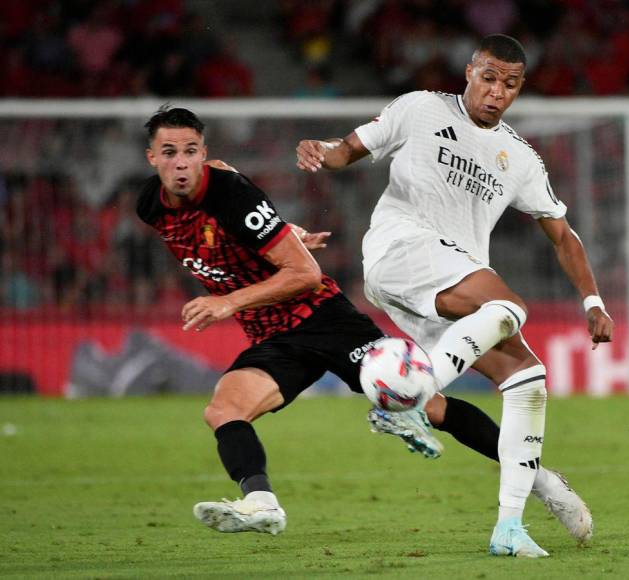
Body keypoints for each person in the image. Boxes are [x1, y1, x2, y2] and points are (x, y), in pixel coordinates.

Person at [137, 106, 589, 540]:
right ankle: (261, 505)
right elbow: (230, 193)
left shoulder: (231, 194)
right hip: (272, 336)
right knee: (223, 410)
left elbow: (305, 273)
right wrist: (280, 230)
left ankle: (543, 481)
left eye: (191, 150)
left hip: (323, 318)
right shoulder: (150, 206)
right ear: (151, 157)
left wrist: (228, 301)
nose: (182, 163)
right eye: (170, 152)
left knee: (426, 405)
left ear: (203, 151)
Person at [296, 34, 613, 557]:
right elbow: (350, 149)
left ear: (519, 89)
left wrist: (593, 301)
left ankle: (510, 526)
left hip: (448, 282)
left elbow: (563, 235)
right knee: (508, 307)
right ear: (468, 71)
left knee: (527, 377)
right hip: (401, 247)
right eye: (488, 77)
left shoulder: (520, 157)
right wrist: (321, 151)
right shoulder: (420, 109)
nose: (496, 92)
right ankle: (408, 401)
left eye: (509, 84)